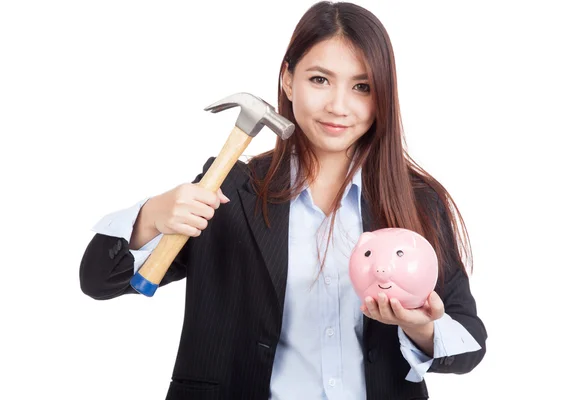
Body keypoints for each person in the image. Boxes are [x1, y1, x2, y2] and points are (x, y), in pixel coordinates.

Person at [79, 1, 487, 399]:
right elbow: (99, 279)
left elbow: (470, 344)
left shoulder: (417, 200)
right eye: (319, 80)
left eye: (362, 87)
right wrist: (152, 216)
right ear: (288, 79)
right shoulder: (229, 190)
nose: (338, 106)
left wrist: (421, 329)